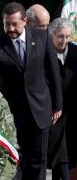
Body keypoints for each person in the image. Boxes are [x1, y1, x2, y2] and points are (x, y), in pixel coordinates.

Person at [0, 2, 63, 180]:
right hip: (11, 115)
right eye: (6, 24)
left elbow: (53, 72)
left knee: (38, 163)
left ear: (25, 21)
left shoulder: (42, 37)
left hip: (40, 111)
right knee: (14, 163)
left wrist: (58, 105)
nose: (10, 28)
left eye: (14, 24)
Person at [48, 17, 77, 180]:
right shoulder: (44, 54)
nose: (63, 40)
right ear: (52, 34)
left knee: (69, 156)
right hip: (53, 113)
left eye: (67, 36)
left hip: (72, 113)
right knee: (59, 157)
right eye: (60, 36)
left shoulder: (75, 52)